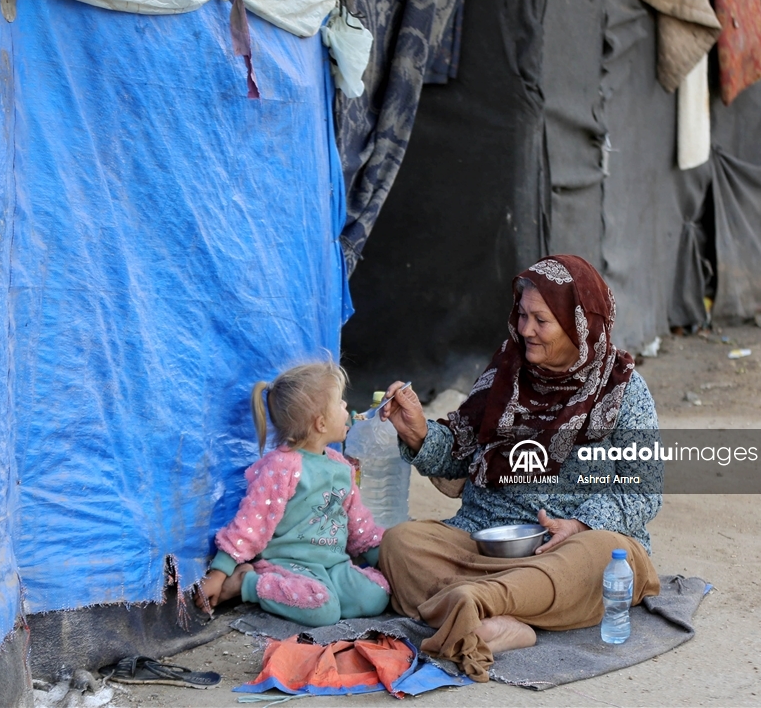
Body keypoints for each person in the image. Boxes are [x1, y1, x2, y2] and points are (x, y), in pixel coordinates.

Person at [378, 255, 664, 681]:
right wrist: (419, 434)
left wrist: (581, 524)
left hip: (565, 551)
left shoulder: (624, 391)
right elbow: (458, 457)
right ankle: (501, 618)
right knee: (401, 544)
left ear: (580, 325)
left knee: (606, 557)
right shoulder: (505, 374)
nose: (525, 329)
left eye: (541, 320)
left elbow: (643, 489)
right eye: (523, 315)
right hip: (484, 540)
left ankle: (473, 607)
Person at [194, 362, 390, 627]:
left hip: (334, 566)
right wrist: (219, 573)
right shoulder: (283, 465)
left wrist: (388, 557)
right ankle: (247, 583)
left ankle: (327, 594)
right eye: (340, 403)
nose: (346, 407)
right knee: (324, 611)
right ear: (321, 423)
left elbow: (359, 525)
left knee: (376, 596)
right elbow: (251, 523)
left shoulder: (341, 466)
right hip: (290, 567)